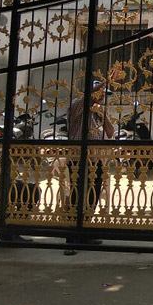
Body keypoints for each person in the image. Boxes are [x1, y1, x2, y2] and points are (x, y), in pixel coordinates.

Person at [64, 79, 114, 254]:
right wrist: (108, 80)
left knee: (93, 193)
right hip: (78, 158)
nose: (102, 97)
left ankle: (85, 231)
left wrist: (102, 114)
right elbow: (86, 97)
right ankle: (71, 239)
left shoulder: (96, 112)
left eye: (104, 95)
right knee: (77, 194)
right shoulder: (78, 106)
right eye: (100, 93)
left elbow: (110, 132)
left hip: (94, 159)